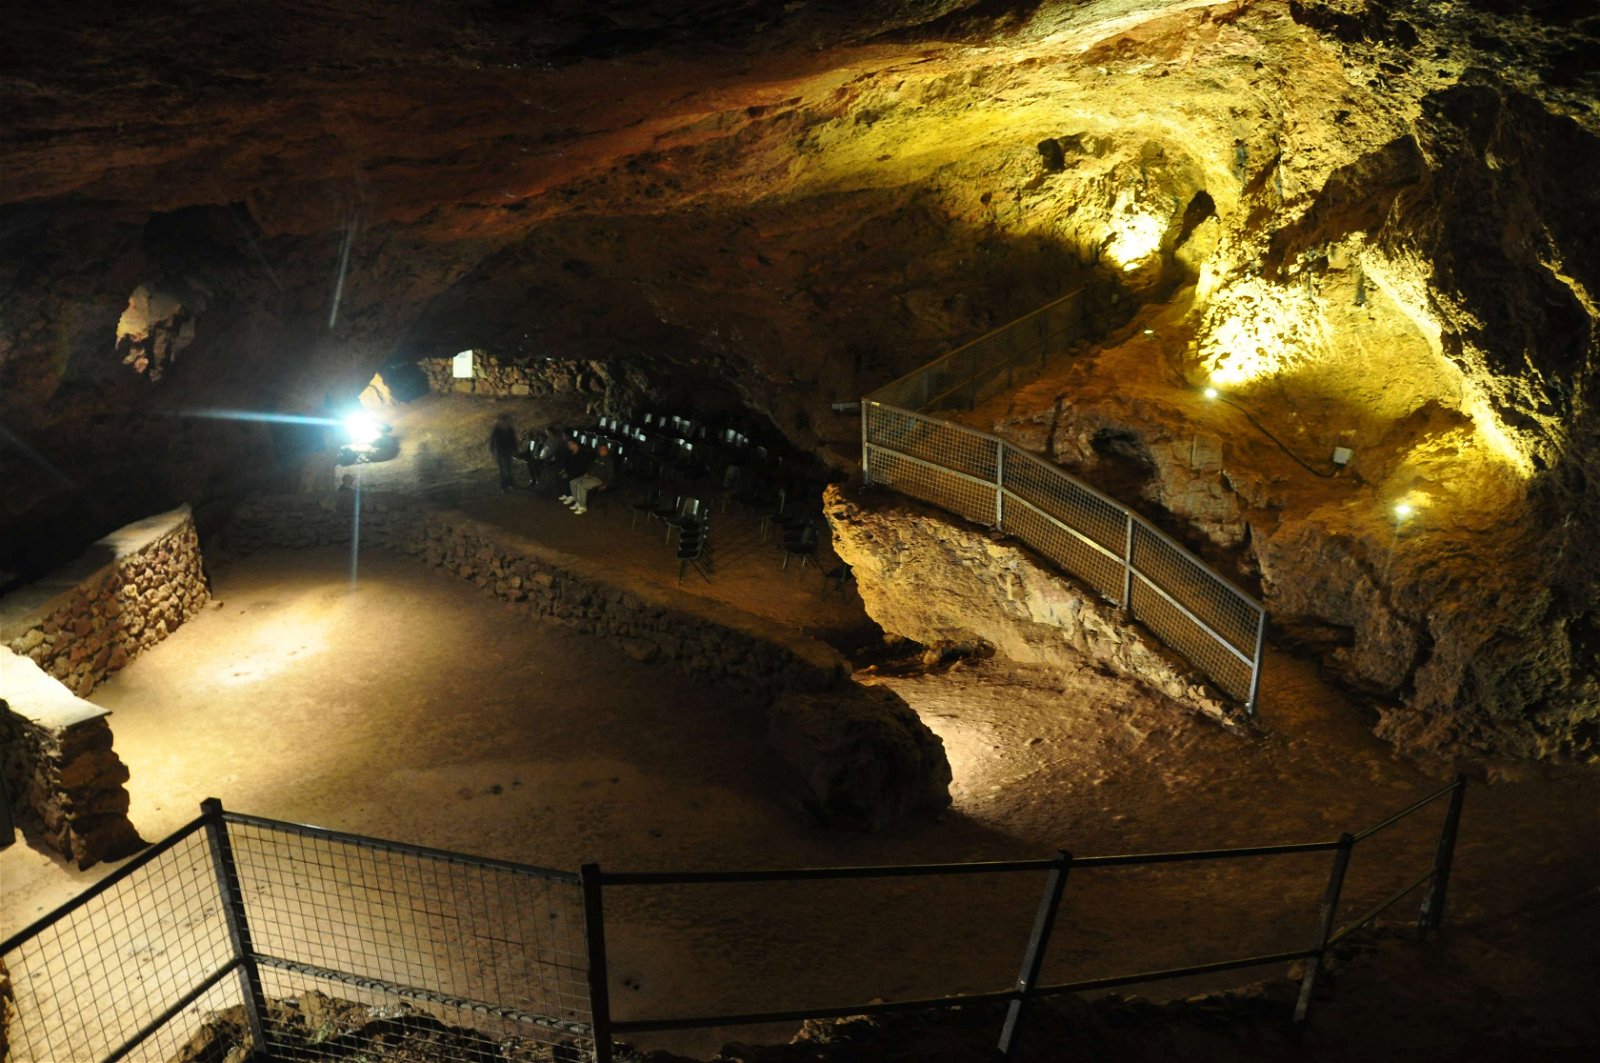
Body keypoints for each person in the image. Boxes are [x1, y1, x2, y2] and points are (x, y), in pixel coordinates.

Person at [562, 443, 615, 515]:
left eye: (604, 449)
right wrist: (587, 473)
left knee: (581, 486)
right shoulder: (597, 458)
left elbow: (610, 473)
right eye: (600, 449)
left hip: (599, 479)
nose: (602, 450)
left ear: (607, 450)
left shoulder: (609, 461)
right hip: (589, 476)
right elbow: (591, 467)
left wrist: (606, 484)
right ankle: (578, 502)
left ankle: (582, 507)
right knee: (573, 482)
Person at [488, 413, 518, 492]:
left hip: (508, 451)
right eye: (504, 421)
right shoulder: (497, 430)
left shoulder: (510, 430)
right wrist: (492, 451)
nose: (505, 423)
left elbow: (514, 441)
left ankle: (510, 484)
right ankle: (504, 486)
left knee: (509, 468)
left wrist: (515, 450)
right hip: (500, 452)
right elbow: (492, 441)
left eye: (506, 421)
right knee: (503, 469)